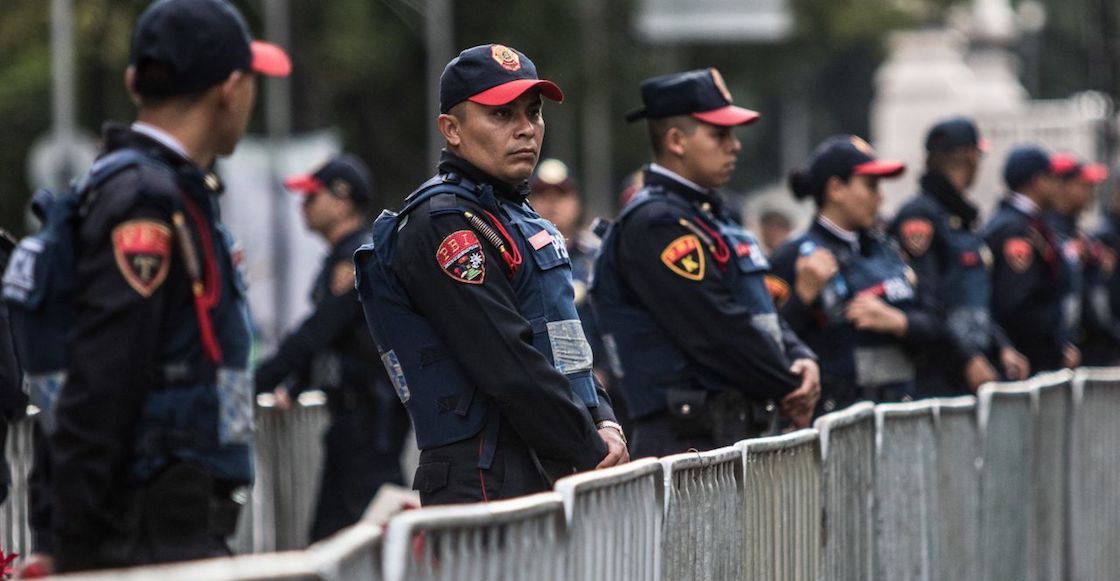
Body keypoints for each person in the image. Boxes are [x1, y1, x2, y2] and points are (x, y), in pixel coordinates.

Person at [20, 0, 289, 571]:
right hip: (144, 531)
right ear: (230, 88)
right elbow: (103, 378)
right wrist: (68, 544)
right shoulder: (144, 199)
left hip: (156, 522)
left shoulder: (157, 187)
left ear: (133, 82)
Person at [354, 44, 627, 507]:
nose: (526, 129)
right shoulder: (444, 222)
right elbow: (508, 362)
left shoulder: (513, 213)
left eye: (533, 112)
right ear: (452, 130)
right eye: (501, 114)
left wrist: (604, 419)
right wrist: (591, 449)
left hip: (542, 461)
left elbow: (566, 343)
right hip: (484, 477)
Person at [590, 68, 820, 458]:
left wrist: (802, 359)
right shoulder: (656, 223)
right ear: (677, 140)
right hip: (685, 445)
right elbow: (716, 328)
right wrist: (788, 383)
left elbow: (759, 307)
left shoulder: (709, 216)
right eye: (719, 135)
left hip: (729, 434)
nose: (735, 146)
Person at [254, 154, 409, 542]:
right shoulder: (345, 257)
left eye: (311, 197)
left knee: (372, 539)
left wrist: (252, 385)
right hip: (356, 419)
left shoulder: (358, 259)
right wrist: (291, 386)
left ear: (341, 202)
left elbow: (315, 333)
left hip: (369, 422)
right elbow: (332, 340)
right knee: (341, 540)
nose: (302, 206)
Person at [770, 135, 940, 412]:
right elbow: (768, 340)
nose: (880, 196)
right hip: (835, 420)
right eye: (871, 185)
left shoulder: (889, 249)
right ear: (836, 188)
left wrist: (899, 322)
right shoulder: (795, 255)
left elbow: (936, 323)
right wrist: (801, 298)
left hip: (899, 416)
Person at [888, 117, 1028, 396]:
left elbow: (972, 304)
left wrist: (1002, 347)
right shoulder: (922, 216)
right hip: (938, 379)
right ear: (968, 156)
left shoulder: (961, 219)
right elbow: (927, 301)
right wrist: (968, 358)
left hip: (971, 376)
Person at [529, 159, 630, 433]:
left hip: (602, 391)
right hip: (540, 390)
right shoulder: (518, 257)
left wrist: (606, 372)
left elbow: (618, 322)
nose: (552, 203)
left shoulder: (598, 258)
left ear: (576, 200)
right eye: (542, 195)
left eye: (561, 195)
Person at [982, 145, 1079, 374]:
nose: (1058, 187)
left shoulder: (1032, 225)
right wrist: (1055, 347)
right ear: (1037, 182)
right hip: (1024, 362)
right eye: (1052, 179)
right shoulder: (1014, 230)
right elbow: (1017, 305)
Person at [1048, 155, 1117, 366]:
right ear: (1060, 186)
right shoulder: (1049, 233)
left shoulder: (1080, 235)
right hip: (1066, 349)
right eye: (1083, 185)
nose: (1090, 193)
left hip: (1094, 343)